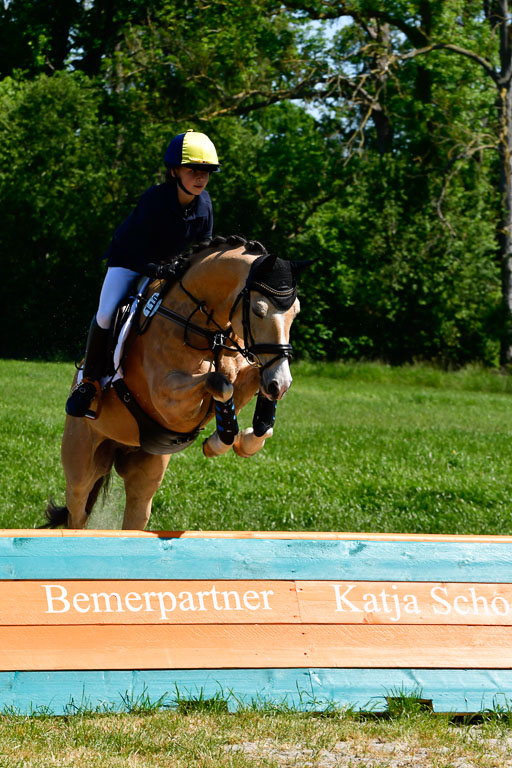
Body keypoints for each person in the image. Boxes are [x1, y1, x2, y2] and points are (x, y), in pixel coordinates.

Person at [65, 129, 220, 418]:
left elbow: (203, 250)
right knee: (106, 314)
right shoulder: (154, 201)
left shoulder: (205, 204)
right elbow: (134, 250)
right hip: (129, 262)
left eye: (206, 172)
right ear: (174, 171)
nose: (201, 177)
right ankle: (89, 382)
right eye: (193, 170)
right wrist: (158, 269)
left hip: (173, 271)